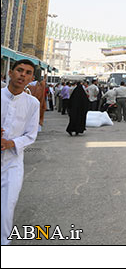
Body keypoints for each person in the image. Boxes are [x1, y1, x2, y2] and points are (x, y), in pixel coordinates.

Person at [1, 59, 40, 245]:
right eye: (19, 70)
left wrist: (11, 143)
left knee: (7, 205)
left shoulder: (32, 103)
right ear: (11, 73)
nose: (22, 75)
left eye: (27, 72)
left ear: (31, 78)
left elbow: (31, 135)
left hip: (12, 162)